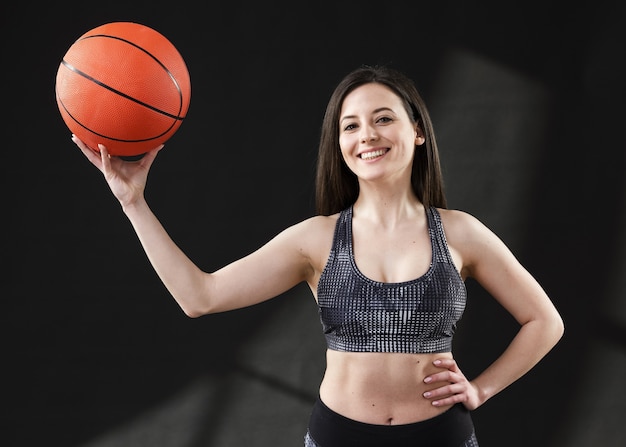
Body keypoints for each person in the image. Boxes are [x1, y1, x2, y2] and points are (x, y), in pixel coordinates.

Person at [73, 65, 564, 447]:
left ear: (417, 132)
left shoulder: (460, 232)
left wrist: (481, 390)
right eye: (350, 126)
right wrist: (132, 203)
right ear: (341, 145)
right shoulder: (316, 240)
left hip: (439, 436)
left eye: (383, 118)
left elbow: (545, 321)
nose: (367, 135)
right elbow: (199, 296)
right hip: (340, 437)